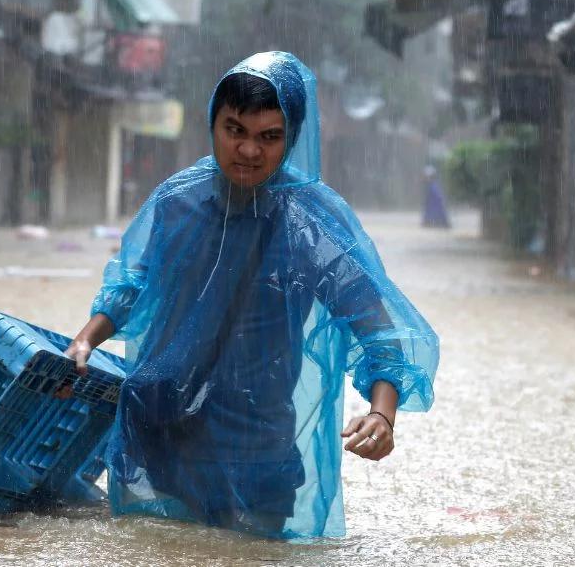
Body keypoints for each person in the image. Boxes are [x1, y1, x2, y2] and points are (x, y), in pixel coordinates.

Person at [63, 52, 439, 539]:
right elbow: (131, 285)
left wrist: (382, 414)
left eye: (269, 137)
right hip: (160, 433)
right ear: (213, 124)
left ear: (292, 139)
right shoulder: (178, 201)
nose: (248, 150)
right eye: (234, 129)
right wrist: (85, 340)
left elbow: (376, 329)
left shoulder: (311, 225)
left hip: (257, 447)